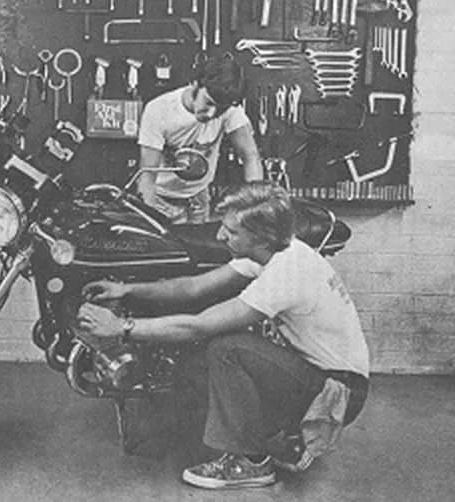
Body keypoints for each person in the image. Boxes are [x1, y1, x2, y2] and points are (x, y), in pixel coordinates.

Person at [76, 181, 369, 490]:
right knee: (204, 355)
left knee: (227, 348)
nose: (219, 236)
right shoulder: (273, 250)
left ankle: (252, 463)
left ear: (261, 237)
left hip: (337, 391)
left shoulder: (287, 271)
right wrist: (128, 289)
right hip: (317, 374)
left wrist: (123, 327)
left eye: (231, 232)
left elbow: (199, 325)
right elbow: (194, 287)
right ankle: (276, 438)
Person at [136, 57, 263, 224]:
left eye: (220, 109)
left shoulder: (230, 110)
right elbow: (147, 176)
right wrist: (150, 218)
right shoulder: (159, 110)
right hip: (161, 199)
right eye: (208, 103)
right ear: (195, 84)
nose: (211, 114)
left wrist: (255, 207)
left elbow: (251, 156)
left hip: (199, 198)